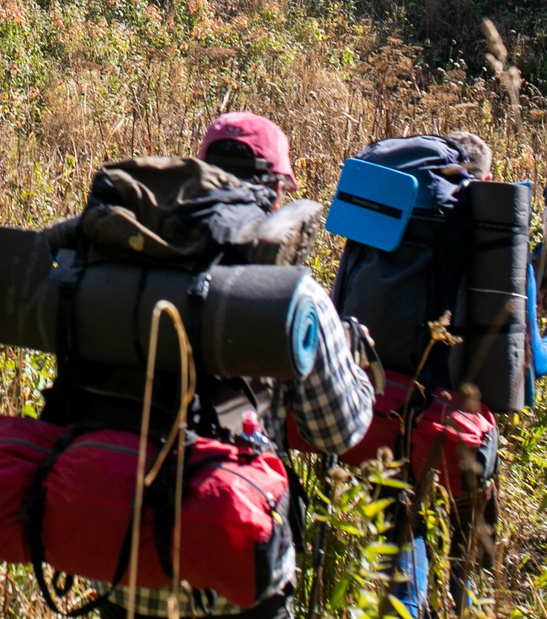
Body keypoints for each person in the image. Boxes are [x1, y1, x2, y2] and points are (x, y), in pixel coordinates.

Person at [95, 112, 375, 619]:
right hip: (237, 565)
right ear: (274, 192)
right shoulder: (292, 294)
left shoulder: (125, 270)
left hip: (126, 561)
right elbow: (339, 429)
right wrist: (350, 360)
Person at [390, 133, 547, 618]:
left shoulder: (396, 228)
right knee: (469, 545)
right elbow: (529, 362)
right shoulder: (501, 244)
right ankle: (461, 606)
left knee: (399, 533)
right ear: (486, 181)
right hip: (461, 429)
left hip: (388, 415)